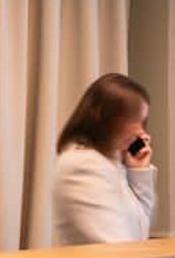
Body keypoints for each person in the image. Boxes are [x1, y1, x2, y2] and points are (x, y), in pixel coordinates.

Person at [53, 73, 156, 245]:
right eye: (134, 120)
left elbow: (140, 230)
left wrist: (138, 172)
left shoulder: (111, 164)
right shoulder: (82, 164)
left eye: (143, 121)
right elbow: (112, 244)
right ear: (108, 119)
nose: (141, 132)